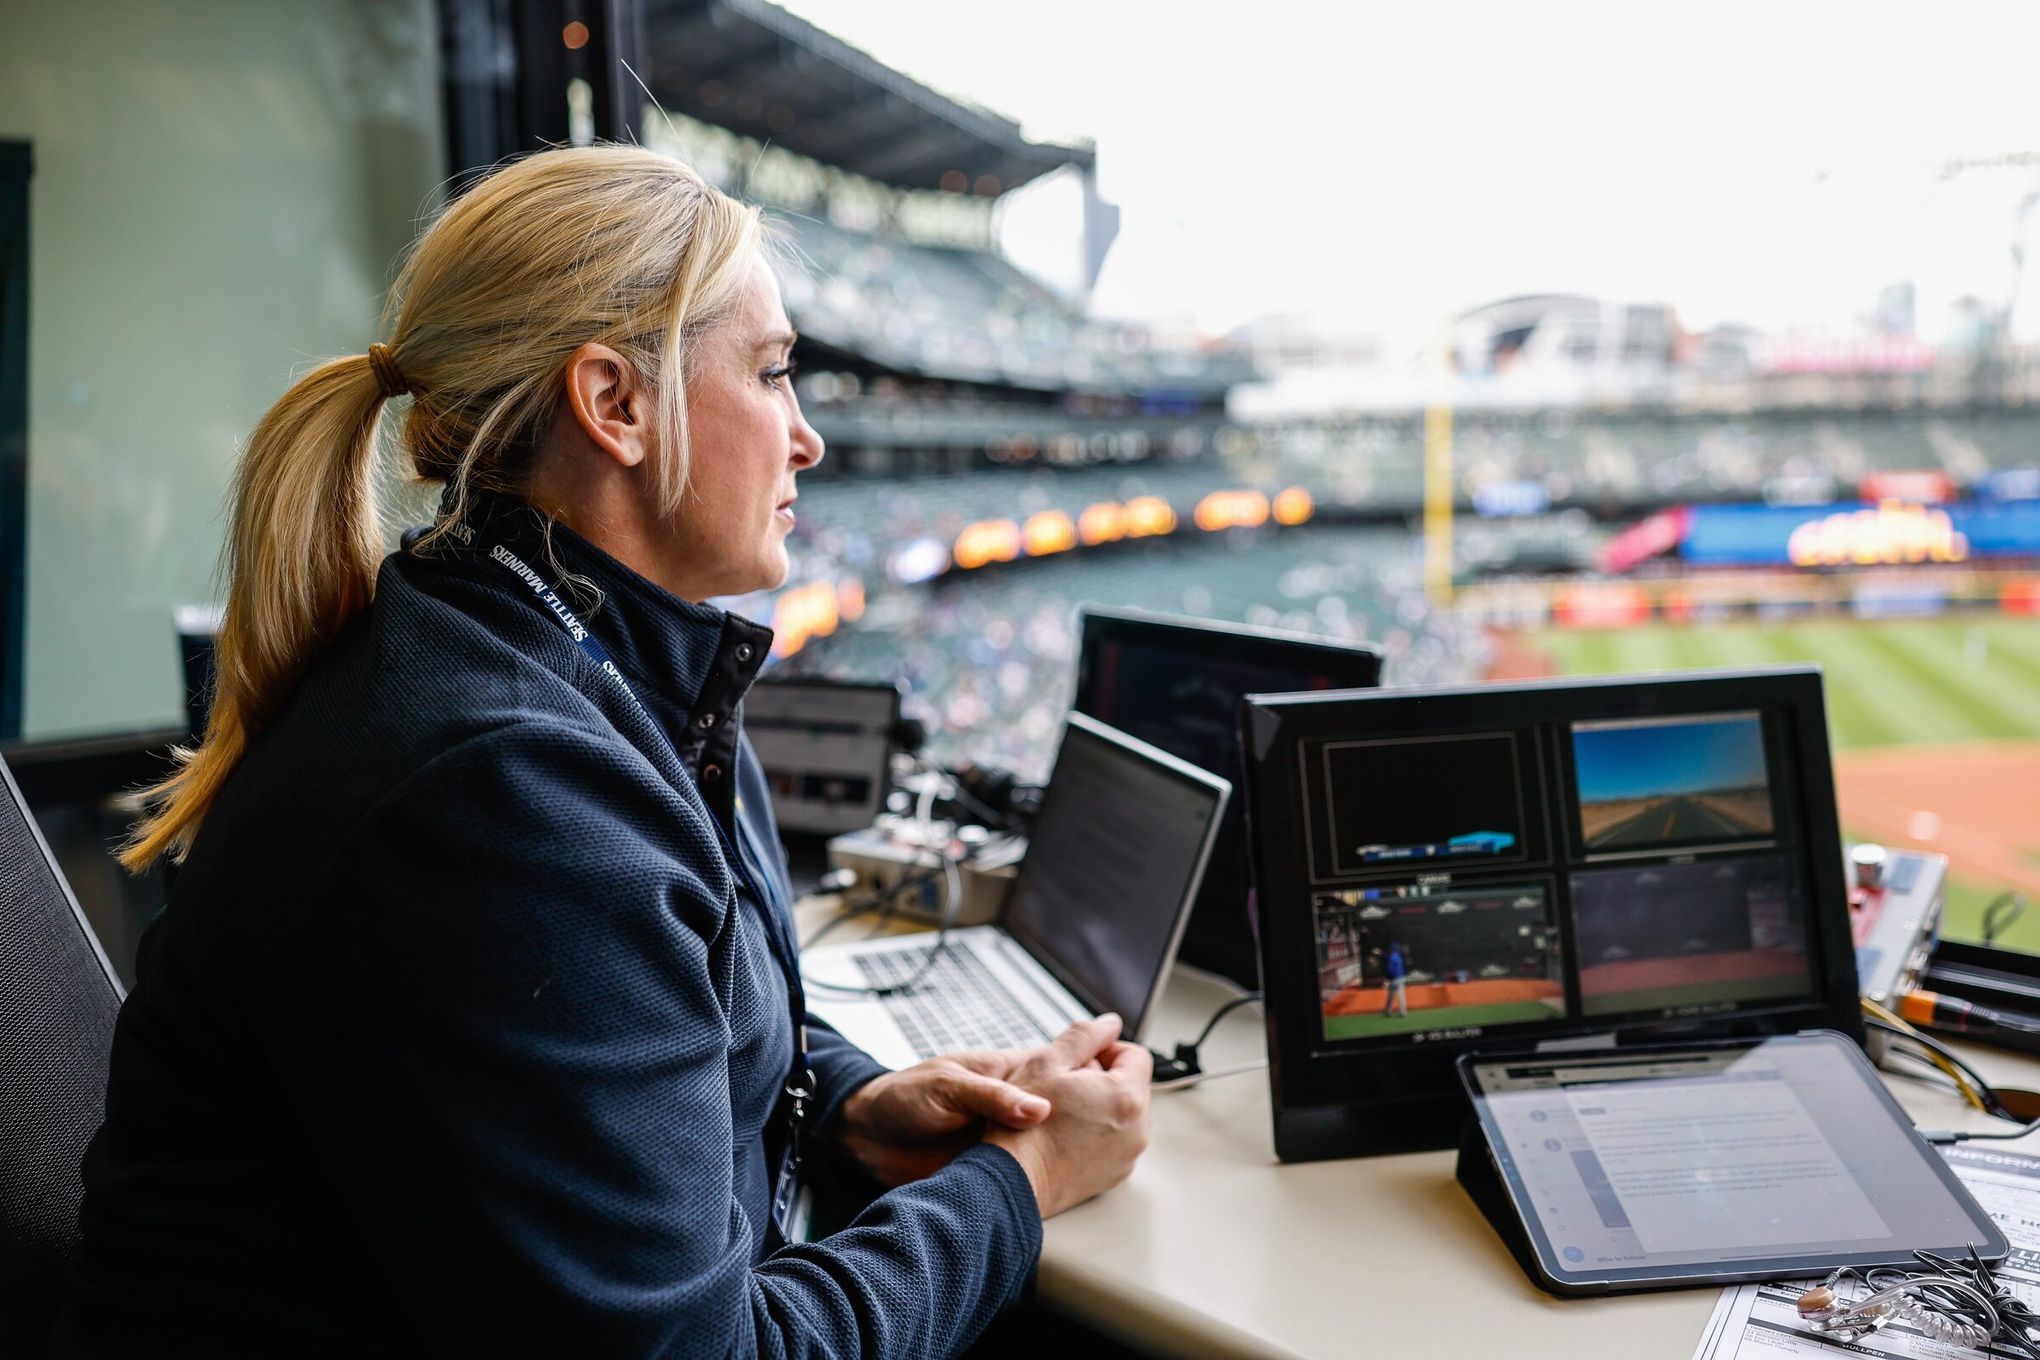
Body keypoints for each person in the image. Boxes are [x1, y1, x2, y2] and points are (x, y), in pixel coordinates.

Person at [53, 146, 1151, 1358]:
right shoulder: (496, 793)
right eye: (776, 374)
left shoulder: (550, 664)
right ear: (615, 404)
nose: (808, 439)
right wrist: (1024, 1175)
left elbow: (672, 1024)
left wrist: (844, 1104)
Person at [1381, 941, 1409, 1018]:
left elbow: (1390, 970)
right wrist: (1382, 953)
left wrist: (1387, 979)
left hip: (1394, 979)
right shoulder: (1399, 957)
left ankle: (1388, 1011)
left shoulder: (1392, 958)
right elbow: (1388, 957)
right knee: (1401, 996)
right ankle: (1403, 1012)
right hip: (1401, 978)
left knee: (1390, 996)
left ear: (1392, 949)